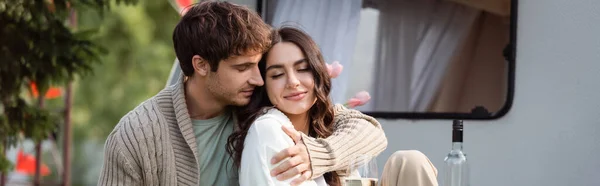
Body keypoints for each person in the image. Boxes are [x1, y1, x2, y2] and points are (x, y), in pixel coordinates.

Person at [97, 2, 388, 186]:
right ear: (200, 65)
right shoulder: (137, 134)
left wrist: (320, 155)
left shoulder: (257, 100)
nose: (259, 77)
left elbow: (367, 129)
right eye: (243, 67)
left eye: (259, 65)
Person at [227, 27, 439, 186]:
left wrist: (318, 154)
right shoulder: (269, 128)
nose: (293, 81)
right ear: (265, 85)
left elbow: (373, 132)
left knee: (409, 161)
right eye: (277, 74)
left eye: (303, 69)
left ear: (318, 75)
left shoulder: (330, 120)